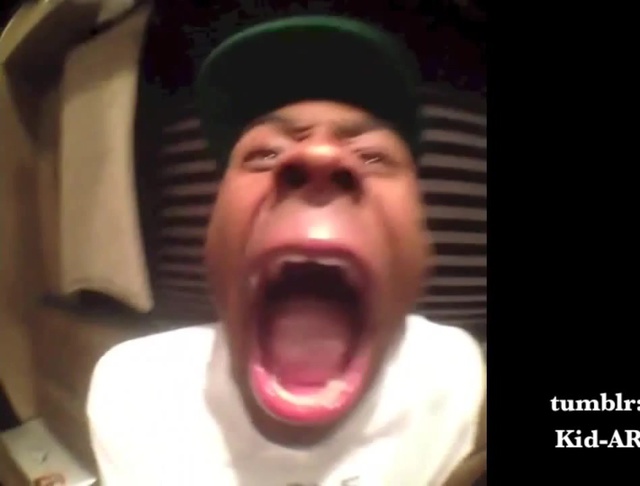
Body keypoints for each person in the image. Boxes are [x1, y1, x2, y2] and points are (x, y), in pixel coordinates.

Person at [86, 15, 486, 486]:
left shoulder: (459, 376)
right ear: (211, 238)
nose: (319, 155)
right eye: (265, 154)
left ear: (424, 248)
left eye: (373, 156)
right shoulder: (134, 393)